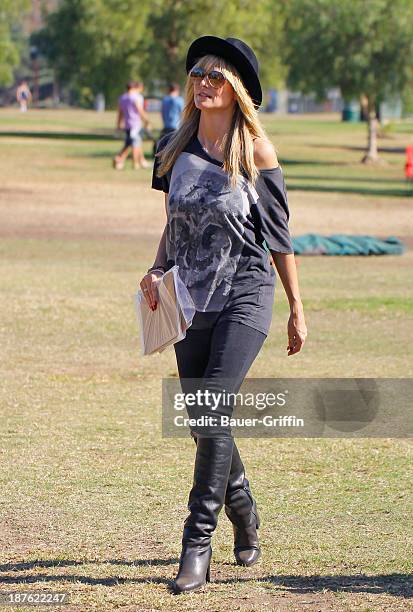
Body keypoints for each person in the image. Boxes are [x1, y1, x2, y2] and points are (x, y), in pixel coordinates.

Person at [139, 36, 307, 594]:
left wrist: (296, 310)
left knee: (211, 409)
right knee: (202, 422)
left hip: (246, 294)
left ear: (236, 89)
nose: (203, 81)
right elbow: (175, 223)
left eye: (215, 74)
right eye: (197, 73)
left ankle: (196, 545)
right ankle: (244, 505)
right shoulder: (174, 146)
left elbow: (280, 239)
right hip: (190, 297)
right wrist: (155, 269)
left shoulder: (256, 151)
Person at [113, 81, 150, 170]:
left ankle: (121, 160)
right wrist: (146, 120)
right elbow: (139, 110)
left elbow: (120, 113)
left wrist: (118, 124)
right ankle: (135, 163)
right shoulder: (135, 97)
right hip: (135, 124)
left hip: (127, 124)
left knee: (130, 143)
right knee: (135, 144)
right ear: (133, 88)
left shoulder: (122, 98)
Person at [152, 84, 184, 157]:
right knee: (175, 145)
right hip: (176, 125)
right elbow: (182, 113)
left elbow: (162, 113)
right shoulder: (179, 100)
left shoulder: (165, 99)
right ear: (177, 90)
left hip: (166, 125)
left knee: (164, 143)